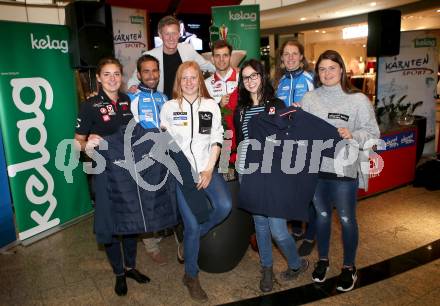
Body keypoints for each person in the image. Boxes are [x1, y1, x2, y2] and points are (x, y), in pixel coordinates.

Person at [301, 50, 380, 292]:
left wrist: (352, 134)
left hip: (345, 169)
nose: (327, 73)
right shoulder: (309, 99)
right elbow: (301, 133)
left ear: (341, 70)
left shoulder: (358, 100)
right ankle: (323, 260)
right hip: (317, 169)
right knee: (322, 216)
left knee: (346, 219)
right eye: (322, 69)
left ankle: (349, 267)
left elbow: (373, 134)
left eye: (332, 68)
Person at [74, 57, 150, 296]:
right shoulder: (89, 106)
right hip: (105, 173)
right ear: (98, 77)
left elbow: (133, 134)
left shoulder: (127, 101)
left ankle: (130, 267)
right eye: (107, 74)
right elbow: (77, 142)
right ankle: (118, 273)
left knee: (130, 223)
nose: (113, 78)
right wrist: (88, 144)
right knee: (109, 225)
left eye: (116, 73)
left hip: (128, 171)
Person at [160, 61, 232, 302]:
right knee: (190, 226)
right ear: (178, 82)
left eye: (193, 78)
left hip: (207, 166)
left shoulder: (210, 105)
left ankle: (191, 240)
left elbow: (216, 136)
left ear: (199, 81)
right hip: (183, 173)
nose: (189, 82)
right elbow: (165, 139)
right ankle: (191, 275)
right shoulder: (169, 107)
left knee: (224, 206)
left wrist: (209, 169)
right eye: (184, 78)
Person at [234, 59, 308, 293]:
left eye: (254, 75)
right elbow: (240, 140)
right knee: (261, 225)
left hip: (273, 171)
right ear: (242, 82)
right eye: (246, 77)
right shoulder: (241, 110)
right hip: (249, 171)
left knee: (277, 228)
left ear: (262, 76)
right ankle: (266, 269)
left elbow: (287, 137)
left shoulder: (276, 103)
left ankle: (296, 264)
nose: (250, 80)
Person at [127, 54, 170, 266]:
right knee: (147, 200)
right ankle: (150, 244)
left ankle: (157, 232)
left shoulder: (165, 98)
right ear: (138, 74)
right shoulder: (131, 97)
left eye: (155, 70)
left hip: (165, 154)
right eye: (146, 71)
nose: (151, 75)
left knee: (161, 197)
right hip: (143, 156)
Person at [276, 40, 316, 256]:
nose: (290, 57)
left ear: (301, 57)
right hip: (286, 143)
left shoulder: (310, 79)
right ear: (281, 59)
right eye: (286, 54)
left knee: (309, 191)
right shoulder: (280, 82)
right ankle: (299, 227)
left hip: (307, 143)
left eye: (295, 54)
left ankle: (310, 236)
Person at [127, 15, 215, 99]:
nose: (171, 38)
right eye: (167, 34)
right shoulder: (150, 56)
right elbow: (134, 80)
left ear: (179, 34)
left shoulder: (188, 49)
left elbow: (208, 66)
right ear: (160, 35)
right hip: (161, 104)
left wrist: (225, 72)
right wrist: (132, 87)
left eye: (174, 33)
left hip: (184, 103)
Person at [204, 39, 239, 164]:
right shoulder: (206, 84)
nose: (221, 59)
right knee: (226, 177)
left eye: (225, 55)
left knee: (246, 177)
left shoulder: (241, 78)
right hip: (220, 141)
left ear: (230, 57)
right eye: (217, 56)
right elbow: (203, 115)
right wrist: (218, 105)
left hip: (242, 138)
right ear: (212, 59)